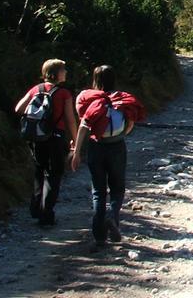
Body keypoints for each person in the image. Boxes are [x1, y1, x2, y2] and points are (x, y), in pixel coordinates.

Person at [71, 65, 144, 251]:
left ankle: (99, 236)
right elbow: (129, 125)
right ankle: (112, 217)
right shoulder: (122, 99)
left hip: (96, 147)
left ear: (95, 80)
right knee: (117, 187)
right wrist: (120, 135)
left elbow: (83, 127)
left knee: (98, 191)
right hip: (117, 146)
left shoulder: (93, 100)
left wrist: (77, 152)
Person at [14, 58, 77, 227]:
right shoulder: (64, 93)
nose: (66, 72)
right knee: (54, 175)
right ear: (56, 73)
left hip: (37, 137)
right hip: (55, 138)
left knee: (39, 171)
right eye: (64, 70)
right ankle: (46, 214)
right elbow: (70, 120)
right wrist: (75, 139)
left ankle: (35, 208)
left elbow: (18, 109)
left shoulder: (36, 89)